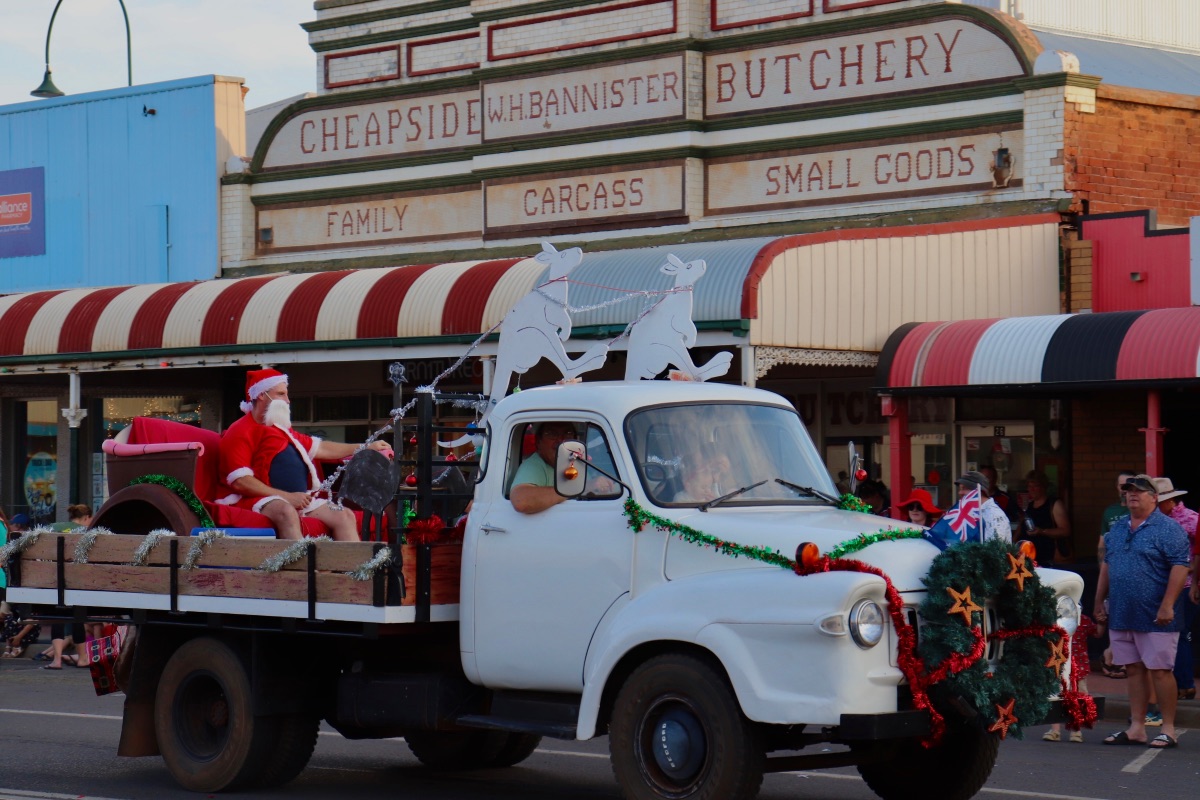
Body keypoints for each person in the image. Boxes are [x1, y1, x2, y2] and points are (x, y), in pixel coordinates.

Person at [219, 368, 390, 541]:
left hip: (298, 498)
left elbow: (322, 448)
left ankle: (354, 568)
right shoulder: (240, 430)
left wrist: (364, 447)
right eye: (281, 394)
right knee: (286, 511)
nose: (287, 400)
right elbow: (240, 482)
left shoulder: (280, 429)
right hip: (256, 499)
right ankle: (301, 567)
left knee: (344, 515)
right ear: (262, 395)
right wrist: (287, 497)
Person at [1095, 474, 1190, 749]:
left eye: (1139, 491)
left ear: (1154, 497)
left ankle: (1168, 728)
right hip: (1123, 610)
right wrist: (1099, 601)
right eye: (1128, 491)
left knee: (1160, 670)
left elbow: (1180, 566)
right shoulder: (1119, 528)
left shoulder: (1169, 528)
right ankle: (1137, 727)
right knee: (1134, 669)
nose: (1132, 495)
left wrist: (1168, 604)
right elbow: (1107, 566)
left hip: (1156, 613)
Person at [1153, 477, 1198, 701]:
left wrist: (1190, 570)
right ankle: (1182, 682)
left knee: (1179, 634)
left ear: (1169, 501)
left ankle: (1185, 683)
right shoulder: (1156, 521)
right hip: (1165, 585)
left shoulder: (1190, 519)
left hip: (1186, 585)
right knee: (1174, 634)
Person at [1020, 471, 1070, 563]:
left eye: (1035, 486)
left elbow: (1065, 530)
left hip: (1049, 557)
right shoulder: (1029, 506)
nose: (1032, 489)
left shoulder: (1054, 504)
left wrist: (1041, 531)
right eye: (1029, 486)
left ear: (1043, 487)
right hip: (1030, 557)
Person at [954, 471, 1011, 543]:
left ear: (978, 491)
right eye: (960, 489)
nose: (960, 493)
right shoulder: (971, 513)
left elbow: (994, 551)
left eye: (964, 488)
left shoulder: (994, 515)